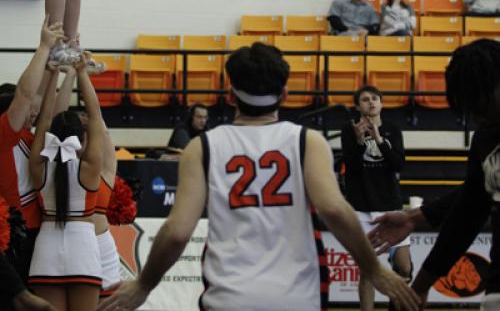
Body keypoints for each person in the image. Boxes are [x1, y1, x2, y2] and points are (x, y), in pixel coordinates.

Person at [97, 43, 419, 311]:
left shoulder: (203, 147)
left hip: (228, 296)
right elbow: (335, 210)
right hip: (297, 296)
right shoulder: (308, 142)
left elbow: (177, 232)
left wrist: (144, 284)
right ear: (285, 93)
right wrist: (374, 267)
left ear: (230, 95)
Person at [369, 39, 500, 310]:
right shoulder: (486, 137)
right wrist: (419, 286)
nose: (477, 116)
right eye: (469, 108)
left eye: (482, 103)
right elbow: (472, 204)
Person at [28, 53, 103, 310]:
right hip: (82, 245)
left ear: (51, 136)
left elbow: (44, 120)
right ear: (82, 138)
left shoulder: (39, 166)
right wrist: (82, 74)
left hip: (46, 245)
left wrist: (52, 77)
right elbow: (96, 118)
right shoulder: (90, 168)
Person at [0, 17, 65, 282]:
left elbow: (51, 114)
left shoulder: (28, 135)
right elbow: (26, 96)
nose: (32, 115)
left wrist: (60, 73)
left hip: (40, 230)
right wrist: (42, 47)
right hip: (16, 234)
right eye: (26, 112)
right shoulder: (4, 135)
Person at [341, 85, 412, 311]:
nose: (371, 102)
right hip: (362, 207)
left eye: (375, 98)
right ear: (357, 106)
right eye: (365, 99)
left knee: (405, 268)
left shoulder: (392, 129)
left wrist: (379, 139)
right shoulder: (349, 129)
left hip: (391, 205)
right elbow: (350, 167)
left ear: (381, 103)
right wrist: (360, 141)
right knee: (368, 270)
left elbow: (398, 164)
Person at [54, 64, 120, 300]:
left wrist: (79, 73)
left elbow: (98, 121)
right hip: (64, 244)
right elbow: (55, 122)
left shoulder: (102, 167)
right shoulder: (56, 164)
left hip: (99, 246)